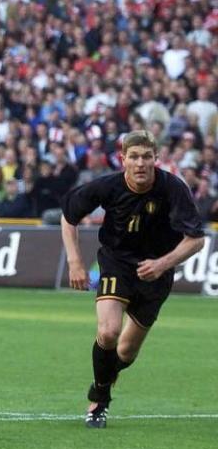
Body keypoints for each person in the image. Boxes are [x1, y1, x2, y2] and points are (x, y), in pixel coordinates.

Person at [60, 130, 205, 429]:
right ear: (123, 159)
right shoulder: (108, 186)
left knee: (125, 352)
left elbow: (196, 240)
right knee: (109, 332)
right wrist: (75, 262)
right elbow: (69, 216)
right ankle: (100, 400)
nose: (140, 163)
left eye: (147, 157)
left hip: (156, 273)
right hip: (117, 264)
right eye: (134, 157)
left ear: (156, 159)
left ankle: (101, 384)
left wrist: (162, 264)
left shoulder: (172, 188)